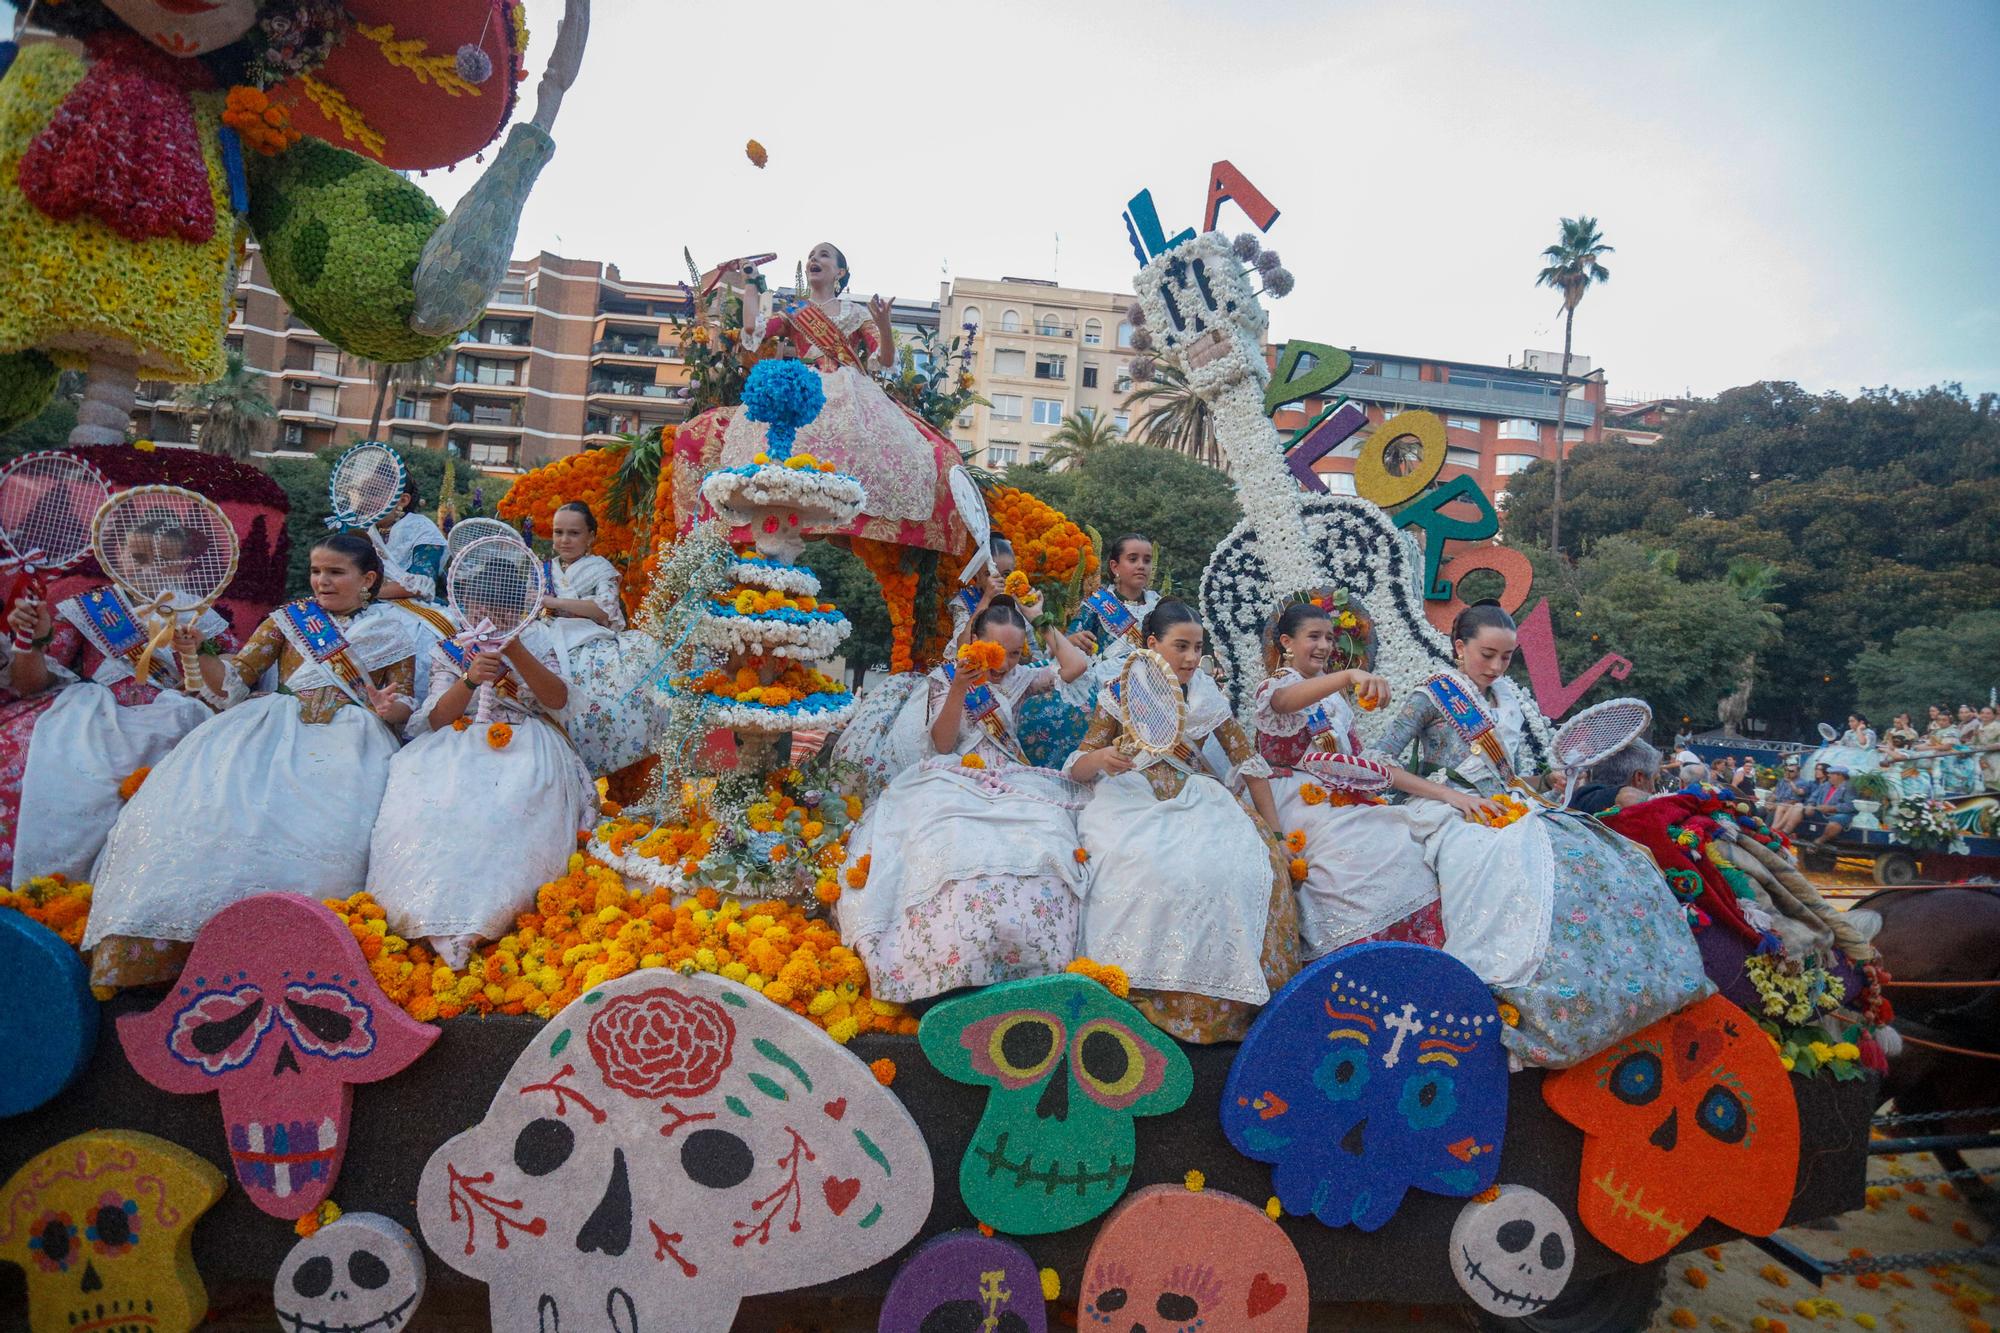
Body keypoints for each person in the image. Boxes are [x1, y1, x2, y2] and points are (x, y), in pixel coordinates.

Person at [1364, 602, 1706, 1067]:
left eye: (1506, 658)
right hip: (1446, 810)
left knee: (1591, 848)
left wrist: (1551, 783)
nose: (1496, 667)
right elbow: (1378, 765)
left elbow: (1520, 774)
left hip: (1509, 804)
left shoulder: (1509, 701)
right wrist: (1452, 797)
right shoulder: (1432, 695)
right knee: (1506, 859)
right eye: (1487, 655)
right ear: (1459, 647)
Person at [85, 533, 416, 989]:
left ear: (368, 579)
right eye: (317, 571)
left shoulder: (393, 631)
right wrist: (197, 651)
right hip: (268, 730)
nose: (322, 581)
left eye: (336, 572)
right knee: (217, 812)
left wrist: (387, 708)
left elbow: (404, 710)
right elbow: (233, 683)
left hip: (352, 743)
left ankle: (291, 963)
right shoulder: (287, 621)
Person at [837, 597, 1093, 1002]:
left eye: (1013, 653)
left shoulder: (1021, 678)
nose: (1004, 664)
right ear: (974, 640)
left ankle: (1037, 958)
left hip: (1011, 779)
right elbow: (941, 745)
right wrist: (959, 685)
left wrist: (1036, 615)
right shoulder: (947, 678)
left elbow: (1075, 667)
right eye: (997, 652)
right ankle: (946, 959)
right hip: (954, 774)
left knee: (1049, 840)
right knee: (948, 839)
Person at [1067, 600, 1300, 1044]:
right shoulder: (1119, 693)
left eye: (1198, 648)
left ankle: (1226, 1003)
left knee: (1235, 865)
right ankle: (1134, 990)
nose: (1192, 658)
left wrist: (1275, 834)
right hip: (1129, 798)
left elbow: (1247, 763)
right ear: (1152, 645)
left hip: (1199, 794)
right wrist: (1102, 758)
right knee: (1142, 865)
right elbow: (1076, 765)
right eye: (1182, 647)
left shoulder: (1208, 696)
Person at [367, 613, 593, 968]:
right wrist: (470, 680)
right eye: (477, 608)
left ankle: (493, 922)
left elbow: (557, 699)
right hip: (455, 741)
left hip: (526, 744)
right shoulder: (452, 649)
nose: (489, 616)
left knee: (506, 813)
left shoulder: (538, 640)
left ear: (522, 608)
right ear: (464, 607)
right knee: (430, 811)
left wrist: (515, 650)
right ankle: (431, 922)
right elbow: (438, 718)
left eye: (501, 608)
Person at [717, 242, 962, 551]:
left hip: (848, 390)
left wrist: (885, 325)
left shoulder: (855, 313)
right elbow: (753, 328)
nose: (813, 260)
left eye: (823, 255)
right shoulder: (794, 312)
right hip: (804, 389)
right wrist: (751, 281)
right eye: (810, 256)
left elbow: (885, 361)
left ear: (840, 272)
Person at [0, 563, 233, 887]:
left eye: (163, 558)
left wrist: (199, 658)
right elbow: (33, 684)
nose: (149, 565)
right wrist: (31, 641)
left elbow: (229, 688)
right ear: (116, 558)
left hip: (170, 718)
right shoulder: (89, 609)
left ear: (186, 565)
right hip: (90, 712)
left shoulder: (203, 619)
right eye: (138, 554)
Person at [1254, 601, 1441, 957]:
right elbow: (1285, 703)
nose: (1324, 646)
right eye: (1313, 637)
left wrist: (1447, 795)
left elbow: (1357, 762)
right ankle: (1345, 956)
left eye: (1328, 638)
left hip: (1339, 795)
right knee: (1350, 856)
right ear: (1287, 643)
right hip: (1290, 797)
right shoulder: (1275, 686)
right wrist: (1349, 675)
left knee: (1404, 840)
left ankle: (1405, 956)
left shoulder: (1337, 702)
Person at [537, 500, 664, 775]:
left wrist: (554, 602)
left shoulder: (600, 568)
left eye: (574, 533)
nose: (565, 540)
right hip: (547, 637)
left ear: (591, 536)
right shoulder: (542, 569)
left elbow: (604, 609)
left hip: (592, 637)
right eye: (559, 533)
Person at [1569, 738, 1661, 813]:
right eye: (1655, 781)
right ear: (1639, 778)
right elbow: (1627, 796)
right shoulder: (1583, 798)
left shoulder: (1578, 800)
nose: (1654, 790)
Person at [1802, 765, 1855, 846]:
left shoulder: (1849, 787)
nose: (1828, 775)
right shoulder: (1826, 785)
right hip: (1821, 813)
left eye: (1831, 773)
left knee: (1838, 819)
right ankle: (1786, 833)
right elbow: (1813, 797)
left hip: (1837, 814)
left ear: (1840, 775)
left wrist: (1831, 808)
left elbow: (1850, 806)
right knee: (1798, 808)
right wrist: (1810, 804)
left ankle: (1820, 841)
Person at [1768, 758, 1813, 835]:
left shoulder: (1803, 783)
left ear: (1798, 772)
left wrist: (1790, 782)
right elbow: (1775, 794)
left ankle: (1773, 830)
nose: (1788, 772)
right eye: (1787, 770)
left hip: (1789, 805)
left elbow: (1798, 797)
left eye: (1791, 771)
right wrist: (1769, 802)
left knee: (1778, 808)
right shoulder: (1782, 780)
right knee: (1762, 809)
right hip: (1779, 804)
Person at [1978, 705, 2000, 790]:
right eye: (1982, 713)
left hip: (1995, 756)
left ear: (1994, 715)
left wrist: (1986, 747)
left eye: (1988, 713)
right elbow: (1974, 741)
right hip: (1982, 757)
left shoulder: (1998, 727)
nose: (1984, 715)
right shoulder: (1979, 727)